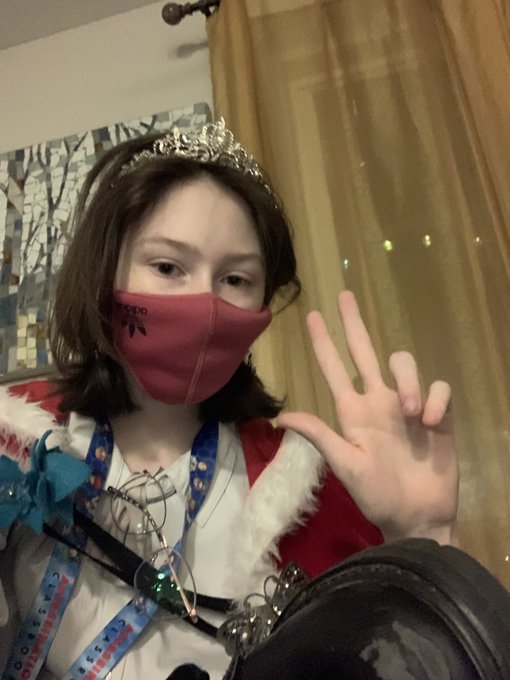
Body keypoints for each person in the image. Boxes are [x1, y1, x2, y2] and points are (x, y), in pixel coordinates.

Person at [0, 119, 458, 679]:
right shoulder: (15, 439)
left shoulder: (304, 491)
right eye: (167, 267)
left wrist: (424, 536)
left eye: (236, 280)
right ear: (102, 272)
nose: (205, 304)